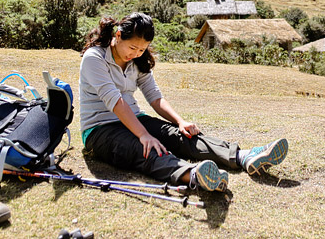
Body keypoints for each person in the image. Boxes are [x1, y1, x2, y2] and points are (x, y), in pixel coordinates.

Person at [79, 12, 288, 192]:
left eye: (142, 50)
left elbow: (154, 96)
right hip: (100, 129)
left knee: (182, 136)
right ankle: (194, 175)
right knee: (145, 148)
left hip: (135, 118)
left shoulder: (137, 61)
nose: (135, 54)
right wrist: (143, 135)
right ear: (118, 35)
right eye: (132, 48)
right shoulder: (94, 58)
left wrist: (180, 121)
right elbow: (114, 101)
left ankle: (243, 157)